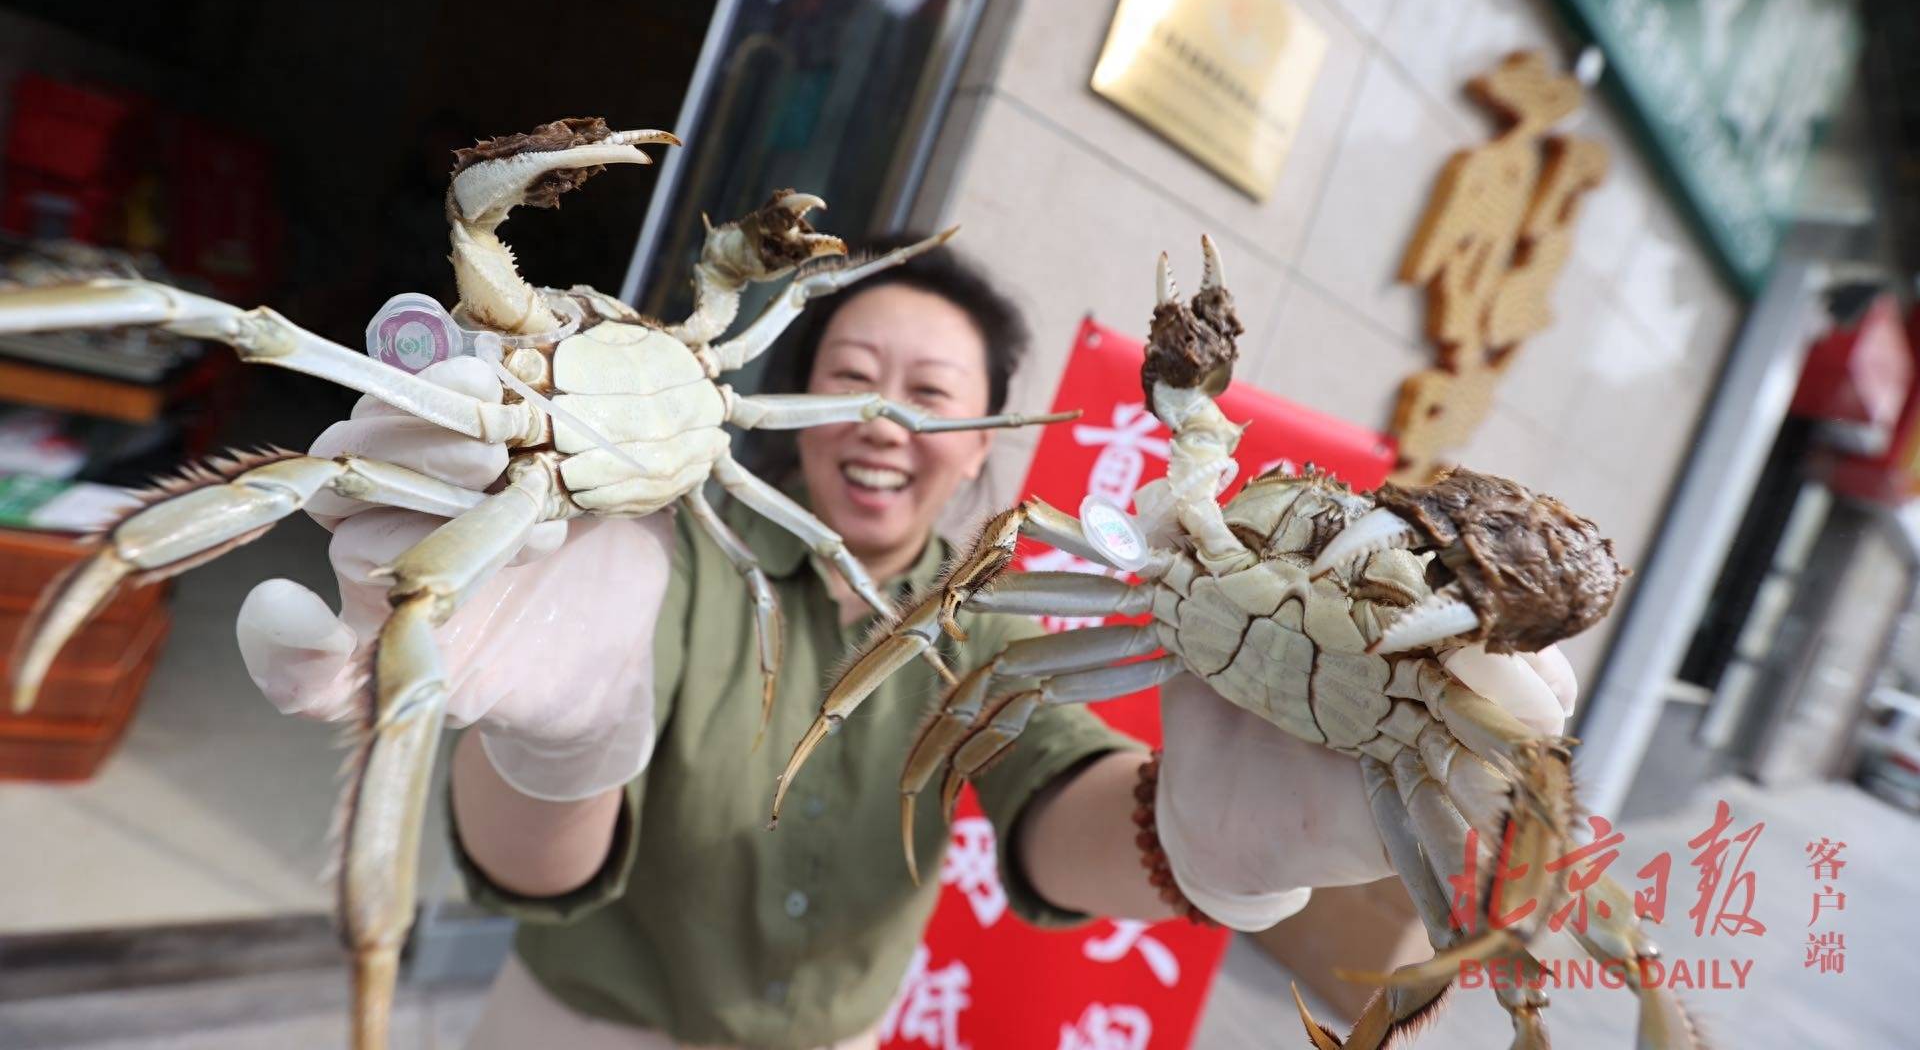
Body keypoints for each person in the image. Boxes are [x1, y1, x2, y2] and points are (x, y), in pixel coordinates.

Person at [235, 239, 1578, 1050]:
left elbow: (1059, 800)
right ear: (781, 400)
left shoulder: (988, 607)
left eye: (932, 394)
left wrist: (1202, 840)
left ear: (996, 432)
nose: (882, 418)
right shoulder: (640, 565)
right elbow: (543, 872)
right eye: (850, 378)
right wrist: (558, 739)